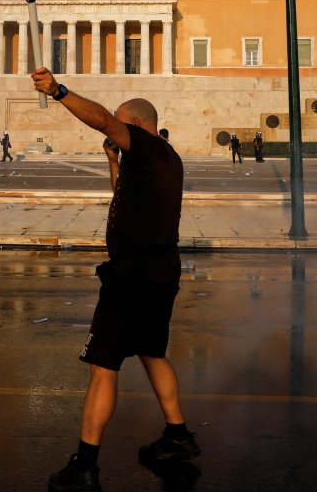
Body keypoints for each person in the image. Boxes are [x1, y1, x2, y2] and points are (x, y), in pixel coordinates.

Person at [30, 67, 198, 492]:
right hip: (159, 269)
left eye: (125, 129)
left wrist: (59, 91)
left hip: (133, 275)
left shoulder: (143, 142)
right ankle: (178, 437)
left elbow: (104, 119)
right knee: (151, 352)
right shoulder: (163, 158)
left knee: (104, 366)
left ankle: (84, 465)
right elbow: (124, 193)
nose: (117, 136)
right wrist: (112, 161)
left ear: (137, 126)